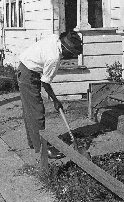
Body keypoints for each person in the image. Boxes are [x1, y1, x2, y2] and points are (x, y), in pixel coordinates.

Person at [17, 31, 83, 159]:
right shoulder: (54, 58)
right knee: (37, 112)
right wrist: (55, 100)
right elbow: (45, 83)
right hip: (28, 74)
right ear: (64, 47)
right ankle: (43, 149)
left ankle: (34, 143)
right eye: (71, 53)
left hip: (26, 69)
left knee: (30, 111)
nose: (71, 56)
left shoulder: (55, 38)